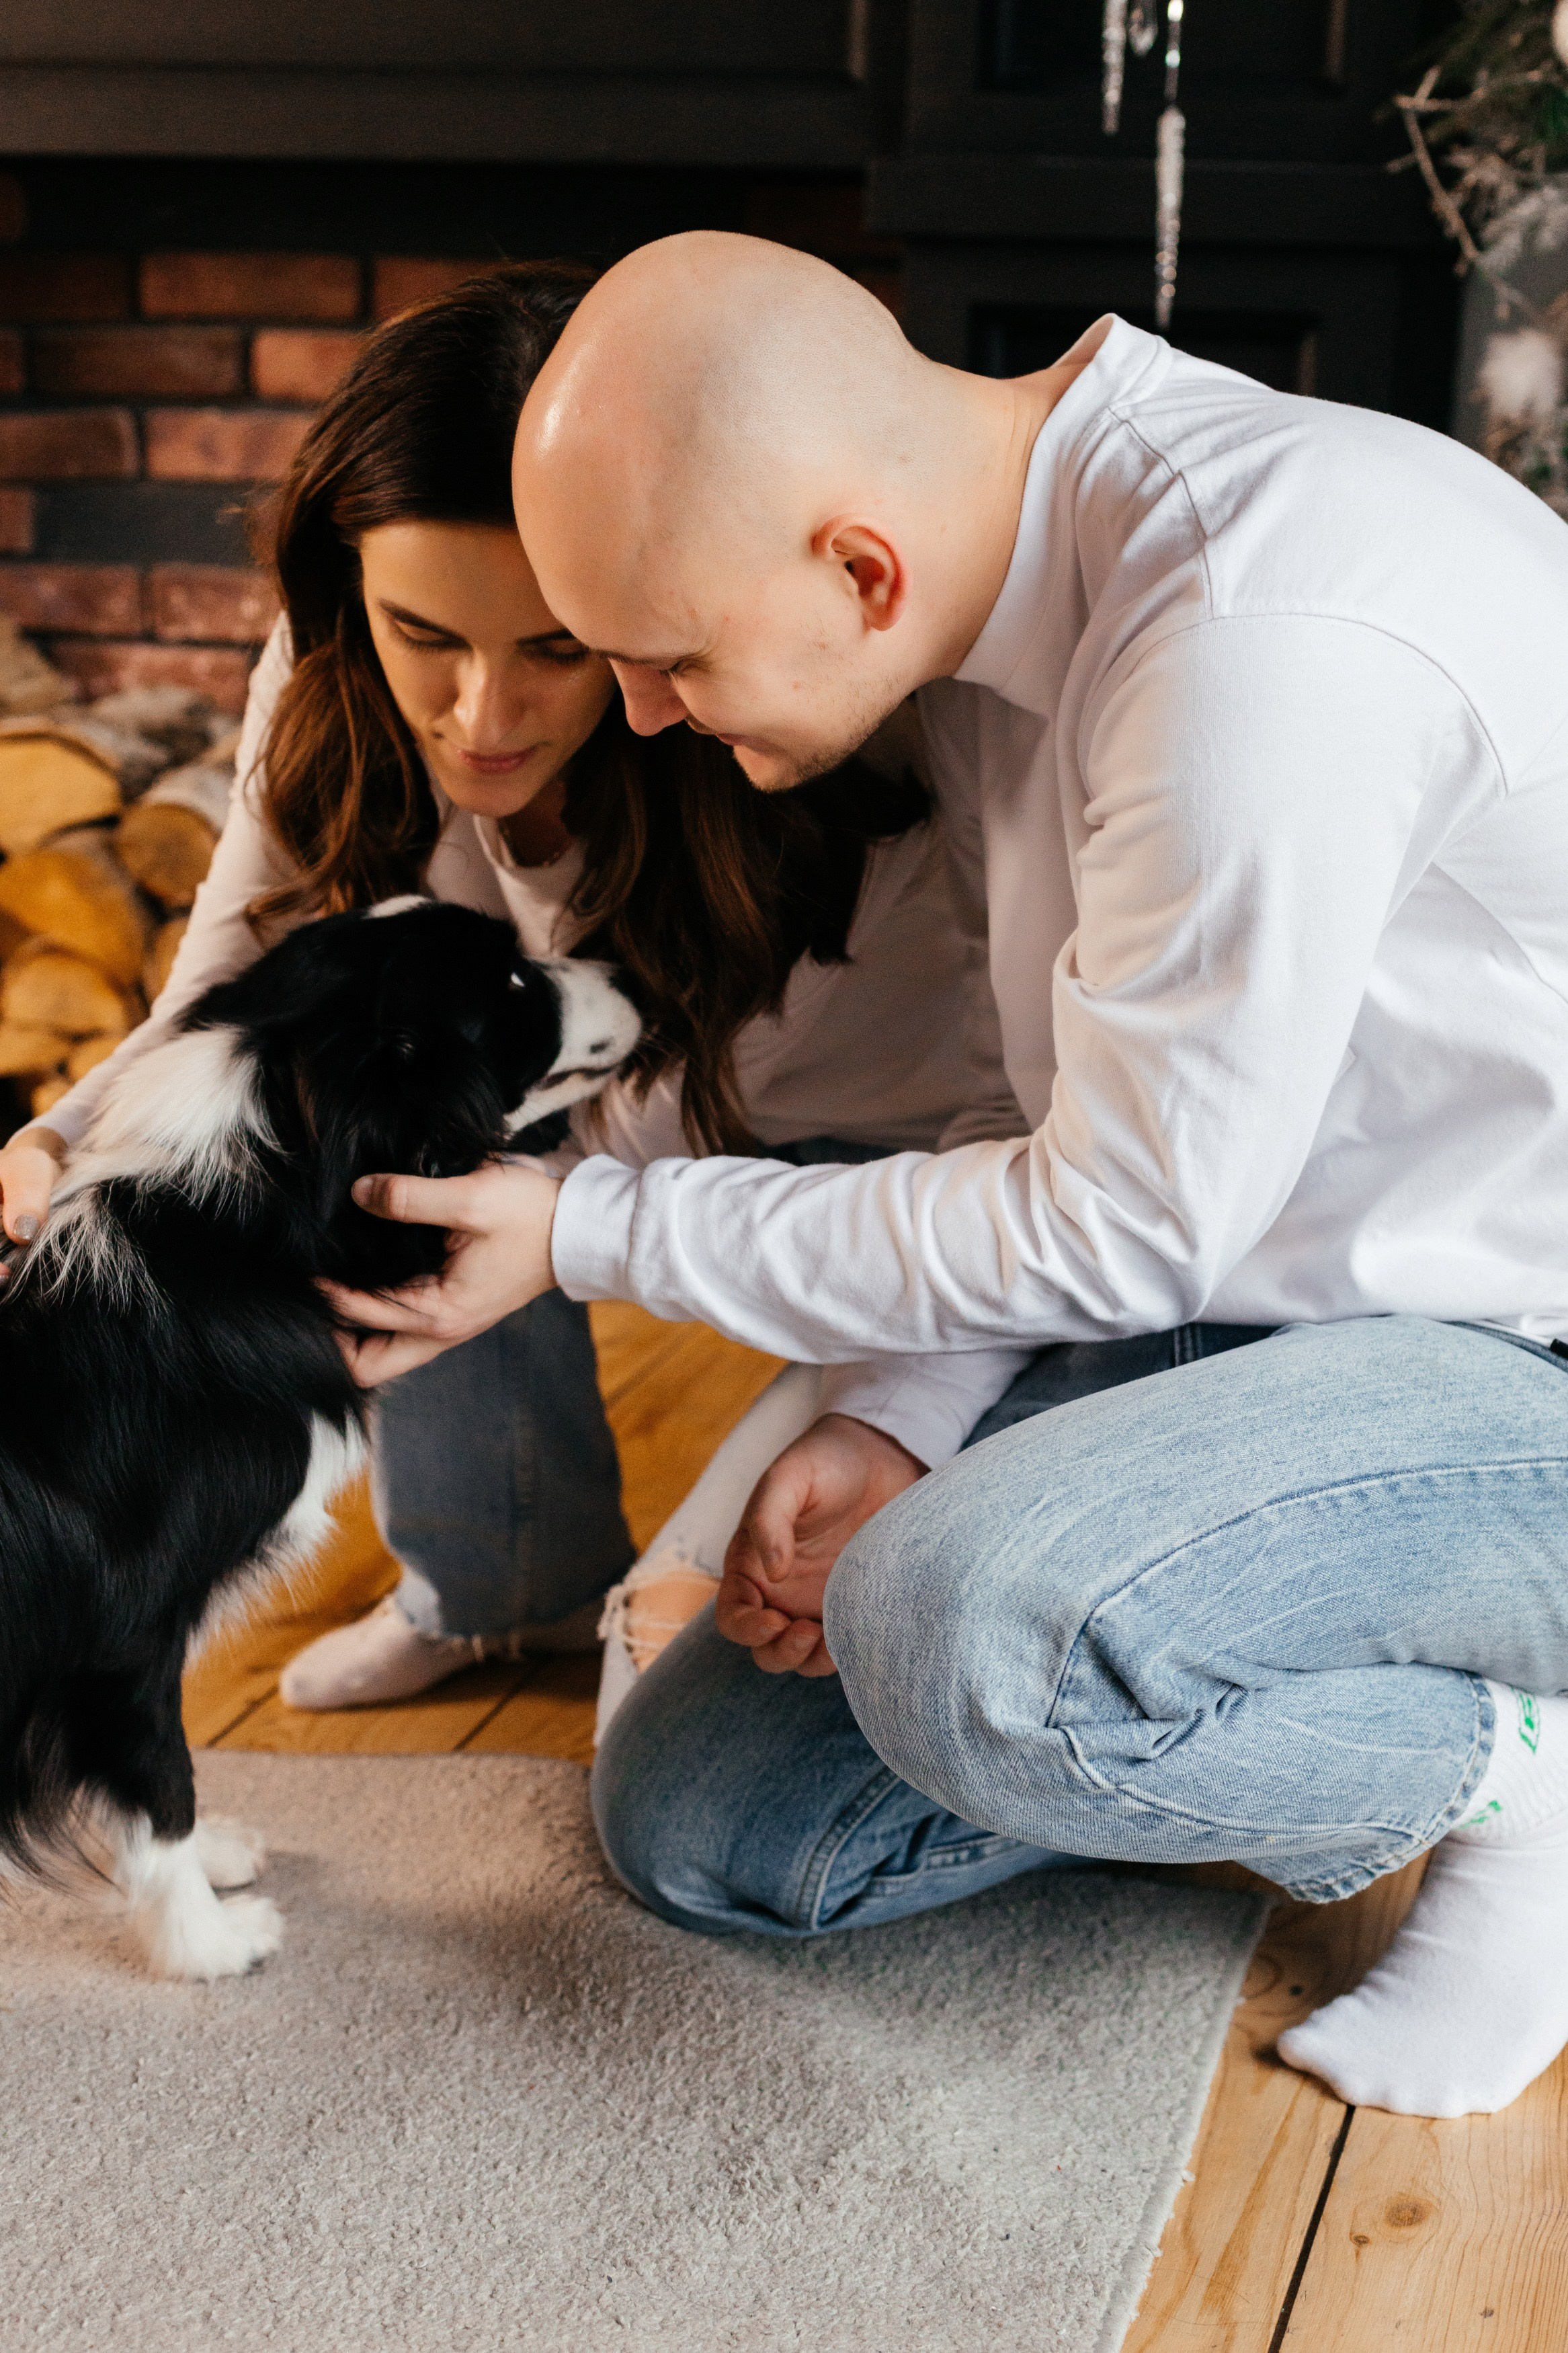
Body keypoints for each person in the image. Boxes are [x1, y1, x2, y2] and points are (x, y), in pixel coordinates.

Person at [329, 232, 1568, 2124]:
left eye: (663, 659)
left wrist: (588, 1228)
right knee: (701, 1818)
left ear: (853, 566)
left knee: (952, 1629)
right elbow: (1052, 1123)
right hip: (1236, 1328)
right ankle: (1145, 1672)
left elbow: (1124, 1218)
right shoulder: (999, 610)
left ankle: (1507, 1776)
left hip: (1511, 1367)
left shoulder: (1245, 637)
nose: (643, 718)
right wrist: (905, 1417)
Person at [0, 258, 1024, 1713]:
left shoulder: (773, 724)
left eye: (558, 647)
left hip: (902, 1191)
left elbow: (950, 1144)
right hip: (596, 1148)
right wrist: (64, 1137)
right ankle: (502, 1585)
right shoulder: (329, 672)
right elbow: (238, 986)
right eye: (425, 634)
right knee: (381, 1150)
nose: (483, 718)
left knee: (666, 1753)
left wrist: (531, 1198)